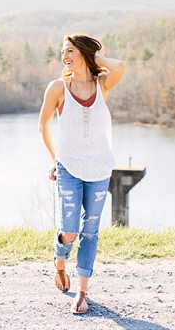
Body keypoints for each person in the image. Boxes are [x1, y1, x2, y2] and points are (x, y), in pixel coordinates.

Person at [38, 34, 125, 314]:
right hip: (69, 168)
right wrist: (55, 159)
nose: (64, 56)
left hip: (100, 168)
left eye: (70, 51)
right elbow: (43, 126)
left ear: (84, 54)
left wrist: (92, 58)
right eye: (62, 51)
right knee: (71, 230)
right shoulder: (59, 88)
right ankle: (59, 262)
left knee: (91, 231)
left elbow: (120, 66)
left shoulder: (102, 85)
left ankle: (83, 292)